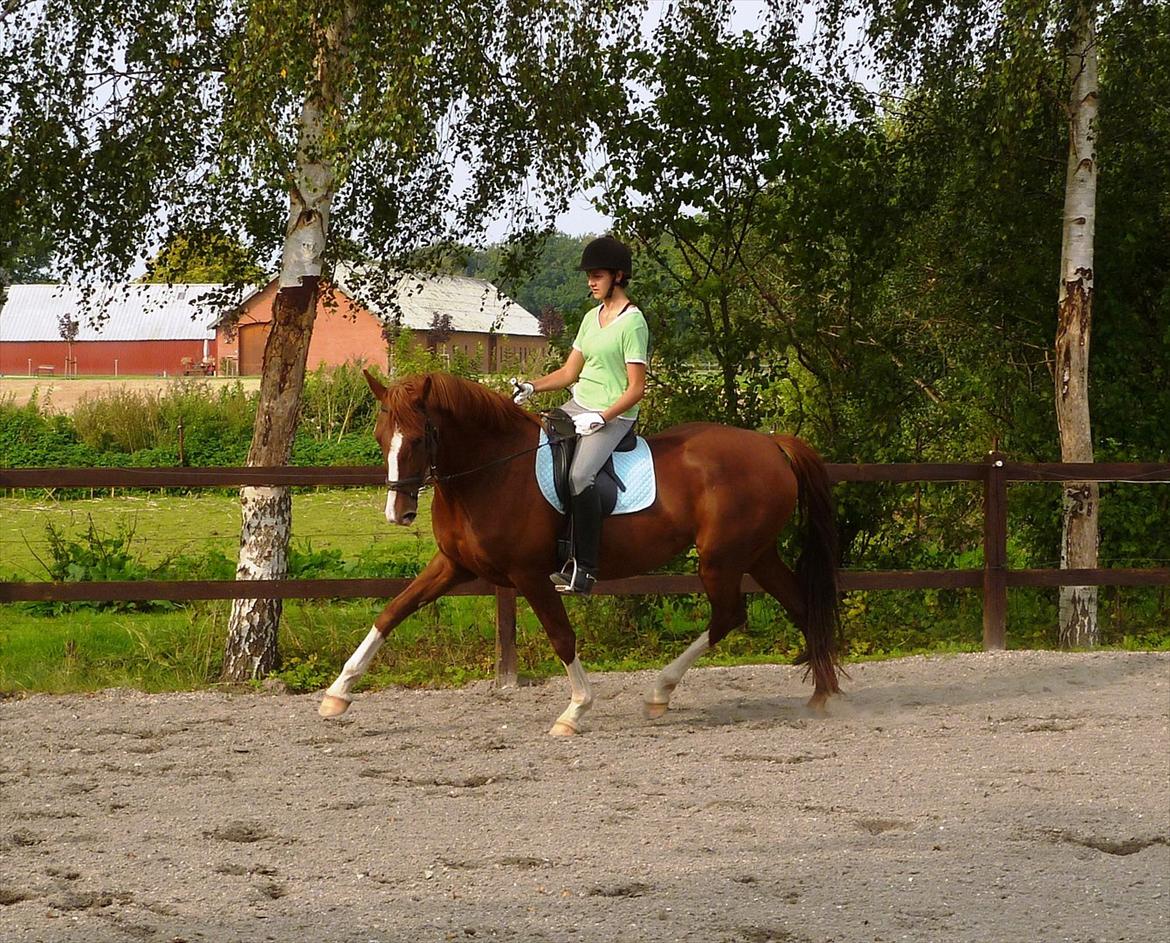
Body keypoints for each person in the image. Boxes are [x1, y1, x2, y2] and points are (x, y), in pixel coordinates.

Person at [513, 235, 649, 594]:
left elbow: (636, 388)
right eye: (589, 275)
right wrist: (532, 386)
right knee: (538, 455)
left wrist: (603, 418)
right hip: (578, 405)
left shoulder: (633, 323)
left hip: (614, 414)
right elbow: (569, 373)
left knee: (579, 477)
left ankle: (584, 569)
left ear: (618, 276)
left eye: (598, 274)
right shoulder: (592, 317)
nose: (591, 281)